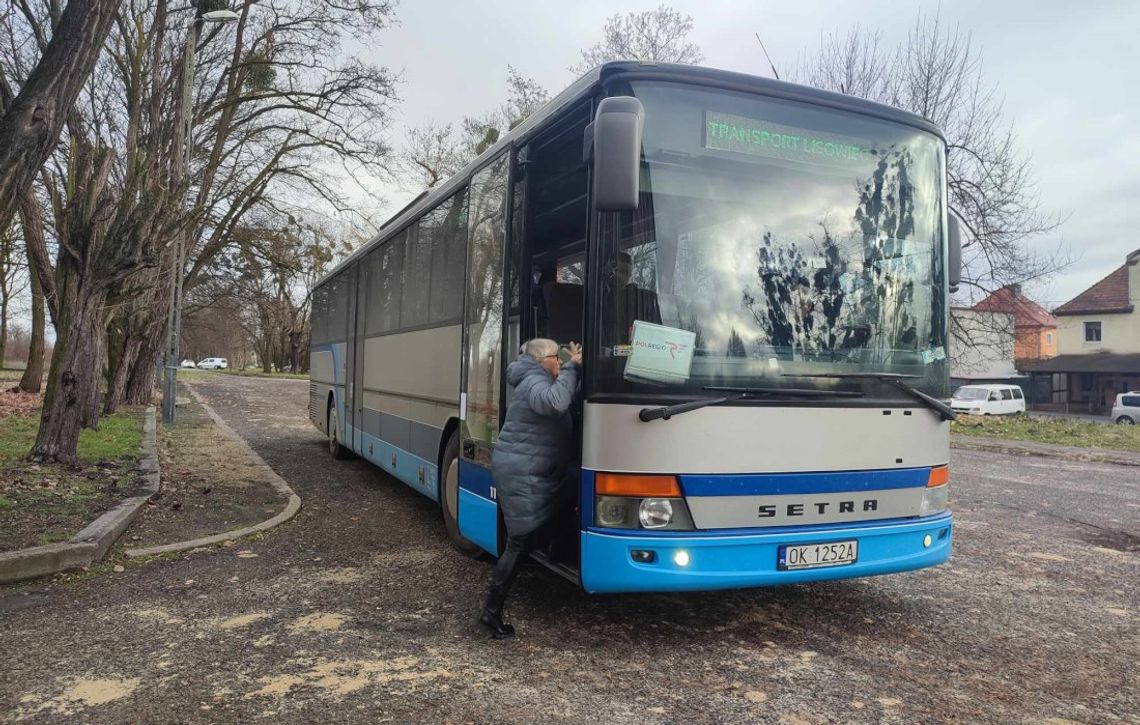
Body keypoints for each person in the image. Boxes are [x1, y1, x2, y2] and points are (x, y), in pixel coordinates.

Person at [479, 338, 583, 639]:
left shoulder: (535, 378)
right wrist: (574, 369)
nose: (559, 362)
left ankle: (555, 548)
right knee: (519, 541)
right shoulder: (533, 381)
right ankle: (491, 611)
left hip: (529, 470)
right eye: (556, 357)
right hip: (521, 472)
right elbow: (554, 402)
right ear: (541, 360)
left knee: (571, 486)